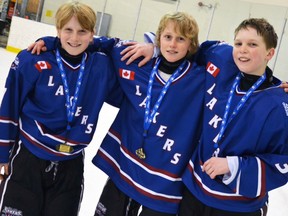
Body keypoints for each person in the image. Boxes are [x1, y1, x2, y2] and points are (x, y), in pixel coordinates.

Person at [0, 2, 122, 216]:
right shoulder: (32, 60)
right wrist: (2, 155)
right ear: (57, 31)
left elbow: (127, 91)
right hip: (29, 158)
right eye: (68, 30)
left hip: (71, 164)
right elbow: (9, 109)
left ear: (93, 34)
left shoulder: (101, 67)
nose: (74, 38)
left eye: (82, 31)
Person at [179, 18, 288, 216]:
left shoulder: (279, 105)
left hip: (237, 206)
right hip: (194, 190)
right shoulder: (222, 60)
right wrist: (154, 49)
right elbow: (190, 49)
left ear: (270, 53)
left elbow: (283, 162)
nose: (243, 49)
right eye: (238, 43)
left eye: (253, 44)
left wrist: (233, 165)